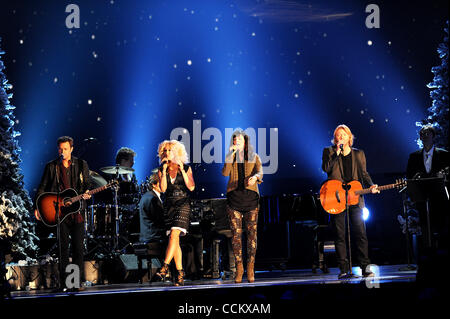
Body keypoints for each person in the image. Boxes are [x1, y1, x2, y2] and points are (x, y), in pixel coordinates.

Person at [322, 125, 379, 279]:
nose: (340, 137)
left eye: (343, 135)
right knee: (340, 235)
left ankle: (365, 267)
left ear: (349, 137)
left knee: (360, 233)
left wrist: (372, 185)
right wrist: (336, 154)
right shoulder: (329, 151)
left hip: (355, 198)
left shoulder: (359, 154)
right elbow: (326, 169)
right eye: (337, 135)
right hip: (337, 199)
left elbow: (364, 174)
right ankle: (343, 269)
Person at [34, 136, 91, 290]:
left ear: (71, 149)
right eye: (60, 149)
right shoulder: (51, 166)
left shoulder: (81, 164)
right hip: (60, 212)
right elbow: (42, 187)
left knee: (78, 248)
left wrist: (86, 192)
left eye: (65, 149)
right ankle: (66, 283)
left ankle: (77, 282)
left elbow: (87, 183)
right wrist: (37, 207)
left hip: (77, 210)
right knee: (62, 248)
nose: (62, 152)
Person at [222, 130, 263, 283]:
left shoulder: (254, 156)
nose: (236, 141)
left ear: (245, 142)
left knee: (252, 236)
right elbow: (225, 173)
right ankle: (239, 269)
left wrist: (255, 177)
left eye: (239, 139)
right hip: (234, 200)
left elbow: (260, 172)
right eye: (234, 140)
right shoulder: (230, 157)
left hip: (251, 199)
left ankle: (251, 268)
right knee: (236, 237)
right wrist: (229, 155)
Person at [155, 140, 195, 286]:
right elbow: (163, 189)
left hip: (183, 204)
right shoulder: (161, 169)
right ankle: (179, 273)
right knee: (175, 240)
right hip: (169, 205)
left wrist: (182, 170)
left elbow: (191, 187)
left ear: (176, 152)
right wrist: (164, 171)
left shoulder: (186, 167)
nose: (166, 153)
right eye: (164, 151)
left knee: (174, 234)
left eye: (169, 150)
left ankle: (164, 266)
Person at [406, 125, 449, 252]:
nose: (425, 136)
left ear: (433, 136)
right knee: (425, 225)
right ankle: (428, 253)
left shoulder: (444, 154)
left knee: (441, 225)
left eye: (427, 134)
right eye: (423, 134)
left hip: (440, 198)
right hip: (422, 198)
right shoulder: (414, 156)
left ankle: (442, 252)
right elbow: (409, 175)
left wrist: (444, 175)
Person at [139, 170, 165, 243]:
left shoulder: (148, 196)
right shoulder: (153, 199)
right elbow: (159, 221)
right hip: (154, 237)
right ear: (154, 184)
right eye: (162, 182)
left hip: (149, 235)